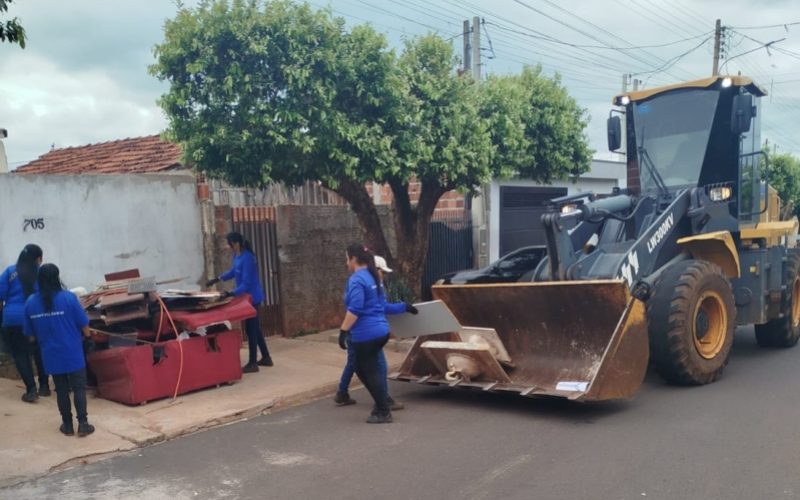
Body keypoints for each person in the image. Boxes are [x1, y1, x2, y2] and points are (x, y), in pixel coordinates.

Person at [335, 255, 417, 410]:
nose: (383, 275)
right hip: (360, 333)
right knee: (362, 365)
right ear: (375, 268)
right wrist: (344, 331)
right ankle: (380, 401)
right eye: (382, 272)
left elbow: (381, 306)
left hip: (363, 333)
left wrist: (403, 307)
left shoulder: (372, 284)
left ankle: (347, 394)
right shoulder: (364, 283)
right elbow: (356, 308)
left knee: (366, 365)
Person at [23, 263, 95, 437]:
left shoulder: (31, 303)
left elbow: (30, 336)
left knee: (61, 390)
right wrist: (88, 338)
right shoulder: (69, 298)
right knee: (78, 388)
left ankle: (67, 425)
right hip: (73, 352)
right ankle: (83, 424)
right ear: (57, 277)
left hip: (50, 353)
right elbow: (85, 327)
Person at [338, 244, 397, 424]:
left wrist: (343, 330)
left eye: (347, 258)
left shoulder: (357, 279)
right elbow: (382, 305)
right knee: (362, 368)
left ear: (354, 259)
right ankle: (381, 405)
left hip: (366, 334)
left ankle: (383, 410)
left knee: (369, 372)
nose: (346, 262)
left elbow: (355, 309)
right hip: (380, 331)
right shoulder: (374, 277)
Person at [207, 231, 272, 373]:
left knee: (251, 329)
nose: (228, 247)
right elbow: (233, 272)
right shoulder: (237, 256)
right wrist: (218, 279)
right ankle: (266, 357)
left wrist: (231, 293)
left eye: (229, 244)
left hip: (252, 298)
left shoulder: (248, 258)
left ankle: (253, 363)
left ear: (236, 243)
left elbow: (247, 284)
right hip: (245, 298)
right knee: (255, 328)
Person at [0, 244, 49, 402]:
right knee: (39, 351)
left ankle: (31, 390)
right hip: (36, 317)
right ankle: (44, 387)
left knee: (20, 354)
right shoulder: (41, 273)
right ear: (38, 259)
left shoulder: (9, 272)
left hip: (13, 319)